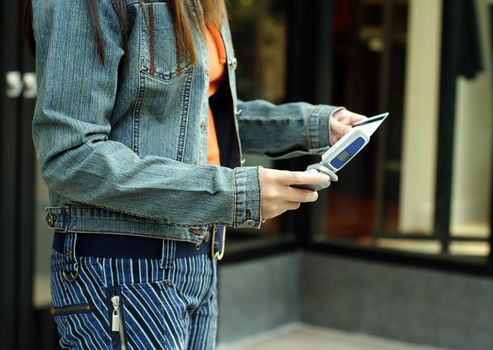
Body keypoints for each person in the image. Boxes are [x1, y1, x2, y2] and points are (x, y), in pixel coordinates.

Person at [27, 0, 365, 348]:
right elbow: (70, 156)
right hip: (124, 266)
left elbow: (197, 118)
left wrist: (316, 126)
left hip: (197, 255)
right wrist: (235, 193)